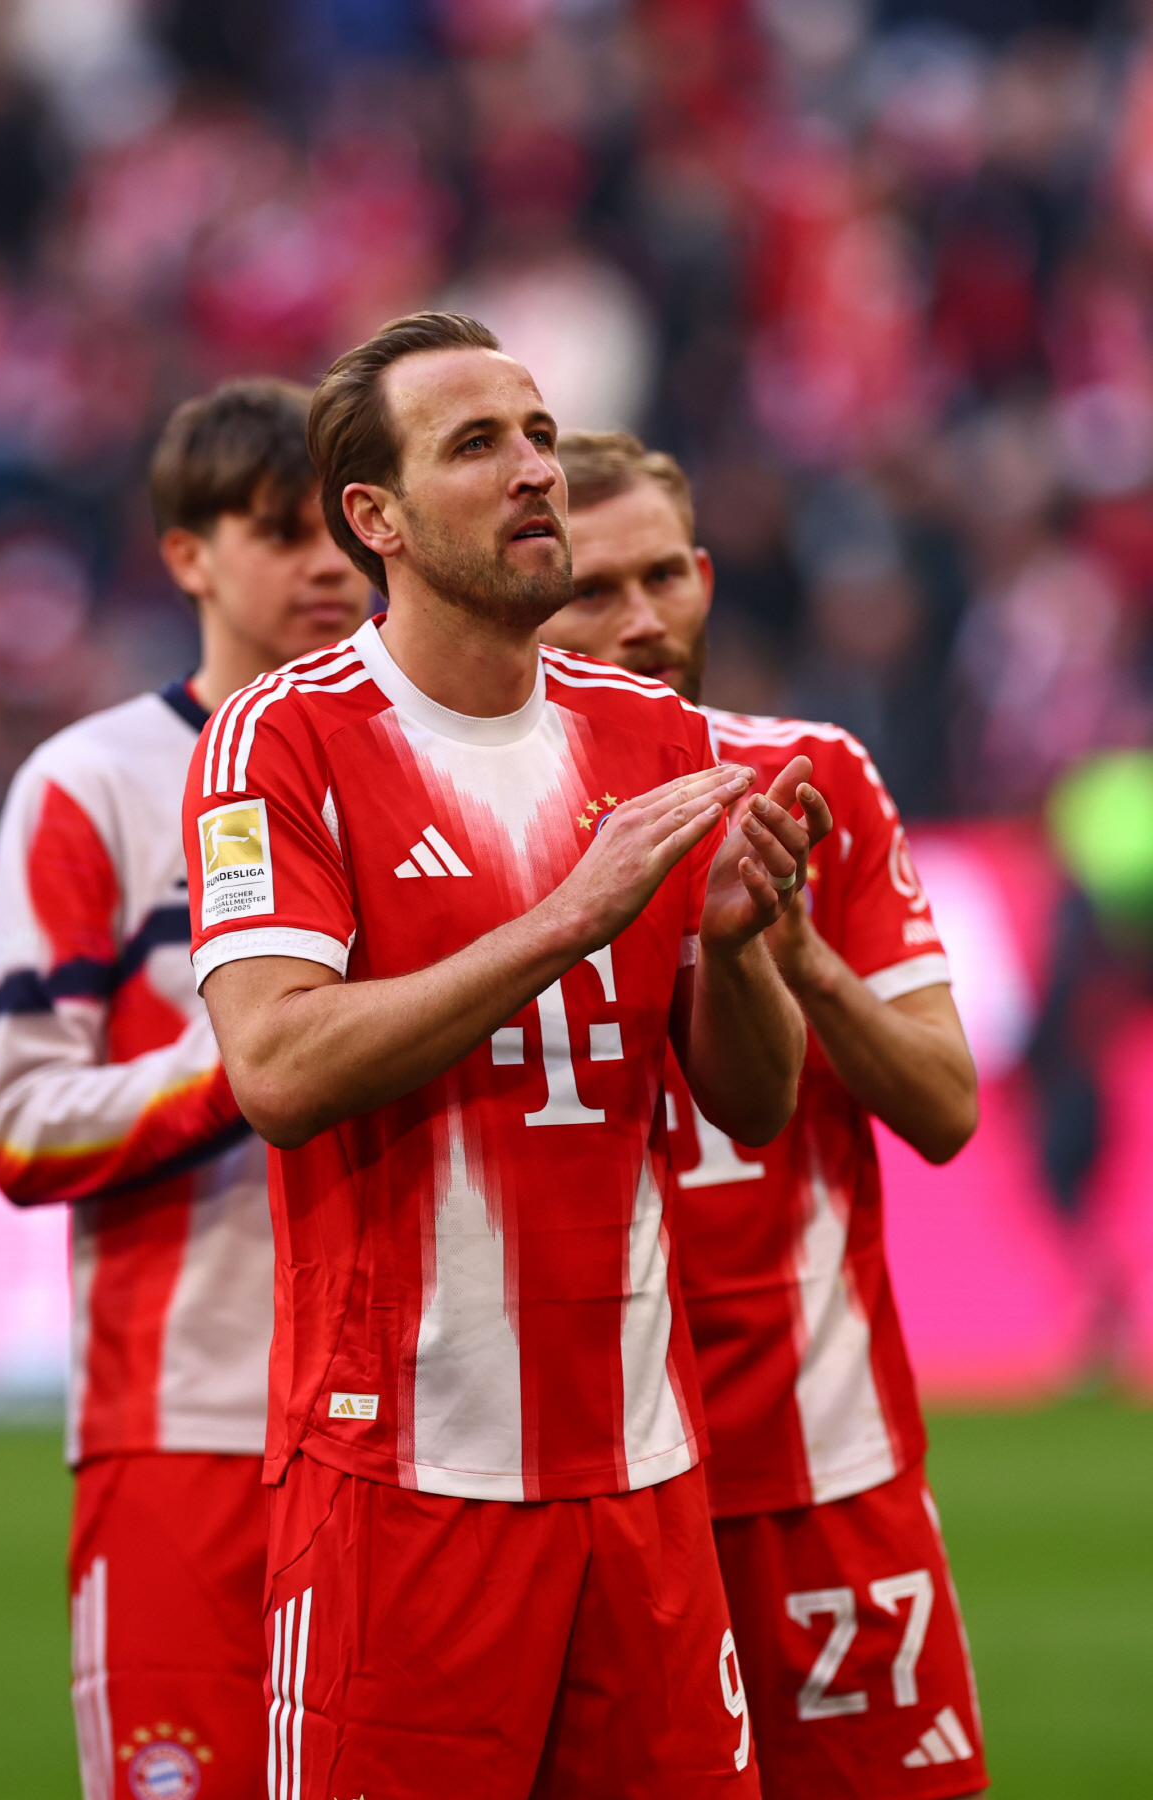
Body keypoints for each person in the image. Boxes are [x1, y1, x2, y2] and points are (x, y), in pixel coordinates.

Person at [182, 311, 832, 1800]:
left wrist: (734, 947)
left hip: (645, 1475)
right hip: (401, 1484)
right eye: (478, 445)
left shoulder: (652, 735)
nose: (536, 469)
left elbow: (753, 1095)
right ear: (379, 520)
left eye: (537, 433)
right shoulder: (280, 740)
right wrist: (571, 916)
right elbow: (276, 1069)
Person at [540, 429, 987, 1800]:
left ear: (709, 576)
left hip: (816, 1458)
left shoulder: (817, 777)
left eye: (665, 575)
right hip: (578, 1474)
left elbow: (946, 1107)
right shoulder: (471, 817)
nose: (642, 619)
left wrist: (796, 955)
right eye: (592, 588)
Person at [0, 379, 369, 1800]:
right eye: (278, 531)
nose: (327, 564)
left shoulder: (419, 763)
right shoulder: (94, 784)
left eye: (342, 528)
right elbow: (20, 1121)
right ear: (187, 554)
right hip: (184, 1421)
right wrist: (263, 1056)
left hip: (414, 1429)